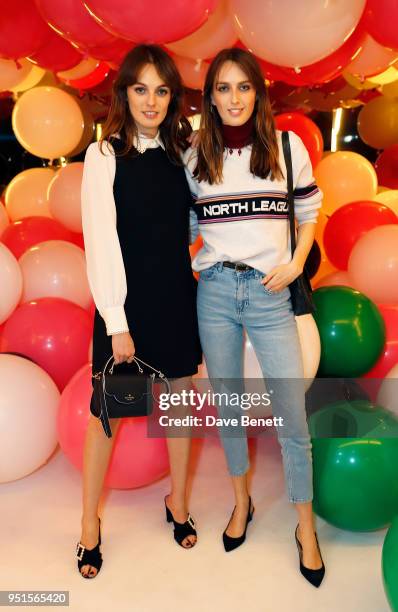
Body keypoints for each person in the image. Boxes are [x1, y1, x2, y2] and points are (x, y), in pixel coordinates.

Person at [184, 47, 325, 587]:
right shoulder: (197, 157)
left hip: (269, 294)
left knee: (292, 419)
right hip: (216, 291)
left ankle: (305, 529)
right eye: (223, 88)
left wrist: (293, 263)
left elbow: (309, 213)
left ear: (259, 93)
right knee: (229, 408)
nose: (234, 98)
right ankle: (242, 504)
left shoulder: (287, 147)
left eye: (244, 87)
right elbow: (178, 225)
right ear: (211, 96)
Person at [78, 44, 202, 578]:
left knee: (178, 409)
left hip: (176, 299)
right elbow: (100, 239)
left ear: (172, 97)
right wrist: (116, 320)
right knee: (108, 417)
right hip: (126, 307)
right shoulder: (104, 155)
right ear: (123, 93)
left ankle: (177, 502)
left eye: (161, 90)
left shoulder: (185, 154)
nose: (150, 101)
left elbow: (195, 228)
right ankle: (88, 525)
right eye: (140, 88)